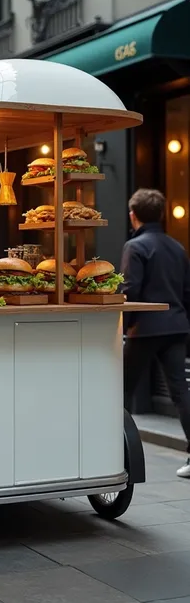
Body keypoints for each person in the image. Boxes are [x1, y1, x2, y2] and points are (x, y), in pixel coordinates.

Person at [121, 188, 190, 479]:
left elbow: (129, 291)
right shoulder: (178, 247)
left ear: (133, 215)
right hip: (176, 326)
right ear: (161, 214)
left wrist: (121, 329)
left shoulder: (135, 247)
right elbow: (187, 292)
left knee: (118, 389)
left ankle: (107, 449)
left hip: (144, 329)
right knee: (181, 392)